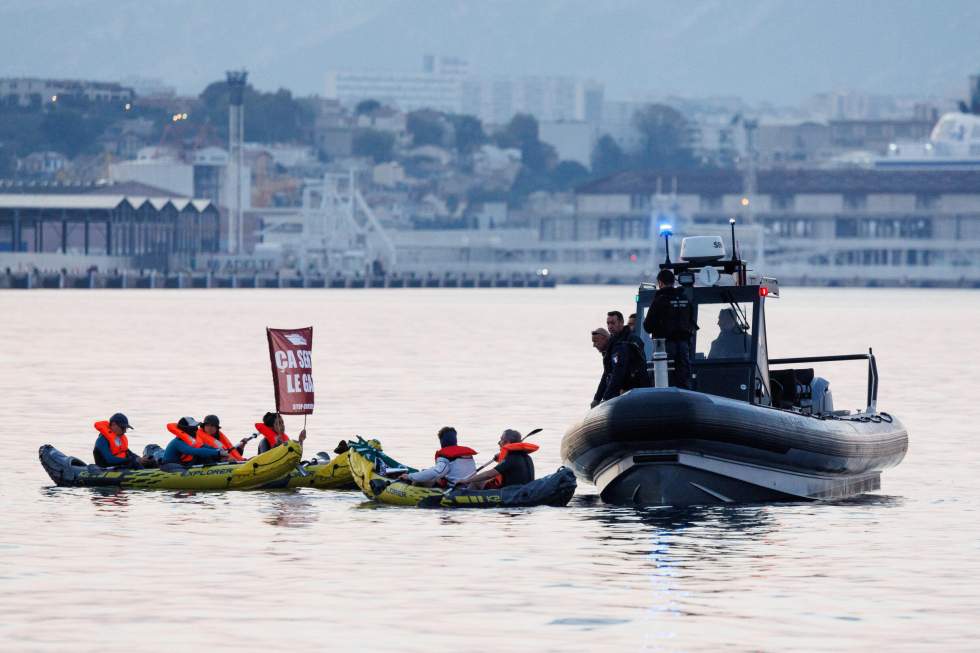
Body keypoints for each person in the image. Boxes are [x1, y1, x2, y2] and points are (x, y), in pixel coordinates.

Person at [642, 269, 695, 389]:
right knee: (684, 379)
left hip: (665, 347)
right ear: (673, 282)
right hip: (684, 347)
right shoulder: (685, 299)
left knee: (660, 378)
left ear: (660, 283)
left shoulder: (660, 300)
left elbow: (647, 326)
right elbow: (691, 322)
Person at [598, 311, 651, 404]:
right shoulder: (612, 344)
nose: (610, 326)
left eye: (613, 323)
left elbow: (621, 369)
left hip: (634, 389)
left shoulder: (632, 341)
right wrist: (597, 397)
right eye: (608, 323)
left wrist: (608, 396)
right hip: (620, 390)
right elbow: (607, 373)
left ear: (621, 323)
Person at [398, 426, 477, 487]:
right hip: (469, 485)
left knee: (418, 481)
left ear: (441, 441)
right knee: (427, 473)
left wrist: (409, 476)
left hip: (454, 488)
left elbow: (436, 472)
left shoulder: (445, 455)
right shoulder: (467, 454)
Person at [458, 429, 536, 489]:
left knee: (476, 482)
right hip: (523, 489)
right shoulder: (526, 456)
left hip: (509, 491)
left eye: (501, 440)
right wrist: (502, 457)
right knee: (486, 479)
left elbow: (489, 474)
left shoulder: (510, 459)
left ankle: (461, 497)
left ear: (507, 442)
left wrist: (466, 480)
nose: (499, 443)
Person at [590, 327, 611, 408]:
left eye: (595, 341)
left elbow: (618, 374)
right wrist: (597, 398)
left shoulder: (615, 350)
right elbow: (605, 376)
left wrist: (607, 397)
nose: (594, 345)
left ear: (604, 338)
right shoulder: (606, 353)